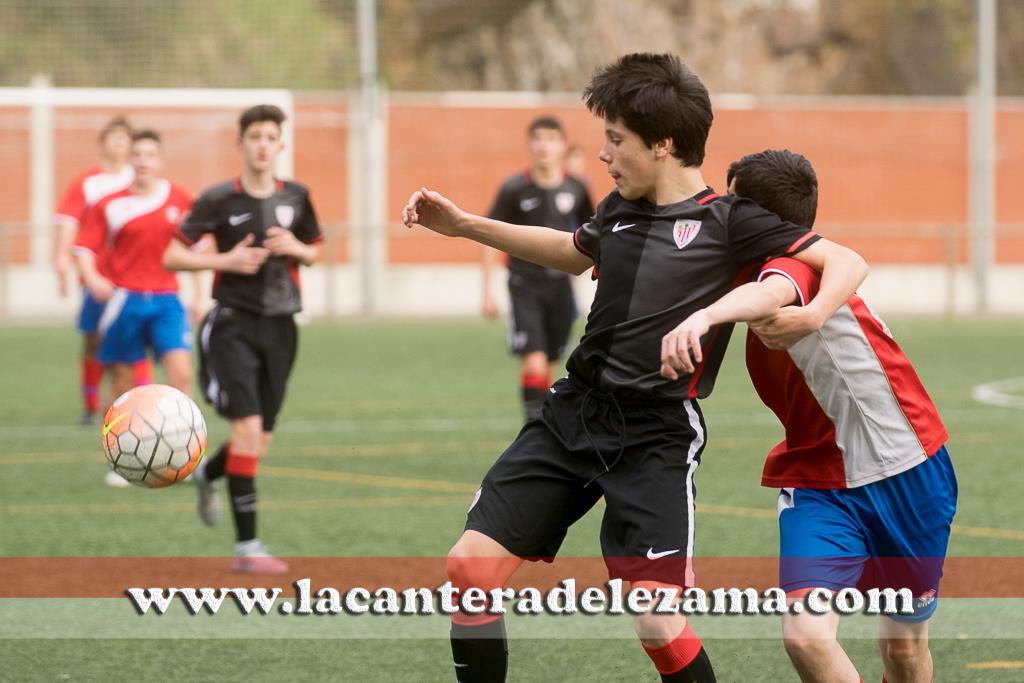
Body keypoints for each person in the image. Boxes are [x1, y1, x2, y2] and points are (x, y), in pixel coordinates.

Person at [402, 53, 868, 683]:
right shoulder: (616, 211)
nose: (603, 155)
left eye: (615, 140)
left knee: (655, 619)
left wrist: (810, 316)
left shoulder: (730, 221)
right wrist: (464, 227)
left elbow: (844, 262)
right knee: (469, 569)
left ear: (664, 145)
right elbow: (572, 254)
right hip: (573, 415)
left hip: (656, 435)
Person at [660, 149, 956, 683]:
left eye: (728, 200)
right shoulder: (748, 266)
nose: (718, 210)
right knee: (805, 635)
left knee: (905, 652)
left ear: (755, 214)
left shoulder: (792, 265)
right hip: (819, 481)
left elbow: (771, 292)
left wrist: (704, 317)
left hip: (910, 470)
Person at [163, 104, 323, 574]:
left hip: (282, 326)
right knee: (248, 431)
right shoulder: (218, 200)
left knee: (259, 441)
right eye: (253, 136)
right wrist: (224, 262)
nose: (261, 144)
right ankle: (247, 549)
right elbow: (173, 257)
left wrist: (298, 249)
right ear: (242, 143)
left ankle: (208, 475)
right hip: (231, 324)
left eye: (270, 136)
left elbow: (316, 248)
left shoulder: (298, 196)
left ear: (280, 144)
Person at [482, 116, 594, 420]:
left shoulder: (577, 188)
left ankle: (545, 429)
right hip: (524, 285)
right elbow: (491, 236)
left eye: (551, 138)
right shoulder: (514, 189)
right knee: (533, 362)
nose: (544, 145)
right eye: (538, 138)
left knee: (549, 366)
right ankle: (532, 430)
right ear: (530, 144)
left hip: (560, 288)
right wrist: (487, 291)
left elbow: (593, 236)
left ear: (562, 146)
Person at [73, 129, 195, 404]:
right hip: (125, 300)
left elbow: (194, 248)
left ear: (160, 160)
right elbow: (83, 248)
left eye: (150, 155)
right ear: (129, 160)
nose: (143, 161)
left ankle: (187, 445)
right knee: (122, 382)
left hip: (167, 300)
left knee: (181, 375)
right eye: (137, 155)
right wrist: (92, 278)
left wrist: (199, 296)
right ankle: (115, 444)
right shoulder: (110, 203)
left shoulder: (179, 198)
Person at [54, 116, 153, 432]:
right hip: (96, 278)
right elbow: (70, 223)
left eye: (127, 137)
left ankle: (145, 406)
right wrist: (61, 257)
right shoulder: (88, 183)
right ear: (102, 143)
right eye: (115, 137)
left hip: (132, 279)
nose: (121, 143)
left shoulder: (140, 179)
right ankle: (90, 405)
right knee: (94, 342)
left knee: (137, 342)